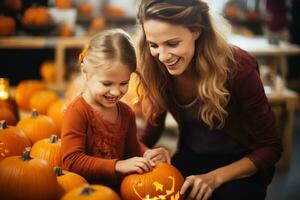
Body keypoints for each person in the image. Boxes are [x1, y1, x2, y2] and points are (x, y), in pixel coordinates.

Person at [136, 0, 282, 200]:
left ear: (196, 30)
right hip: (191, 157)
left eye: (172, 43)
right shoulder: (157, 68)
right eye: (154, 45)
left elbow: (271, 148)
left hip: (240, 165)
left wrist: (214, 178)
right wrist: (142, 154)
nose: (162, 56)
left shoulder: (238, 67)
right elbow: (153, 128)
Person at [61, 29, 170, 189]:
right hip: (86, 192)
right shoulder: (77, 111)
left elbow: (132, 149)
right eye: (107, 84)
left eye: (124, 83)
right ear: (86, 73)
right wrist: (118, 165)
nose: (116, 92)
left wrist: (147, 154)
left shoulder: (126, 113)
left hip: (120, 190)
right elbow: (71, 161)